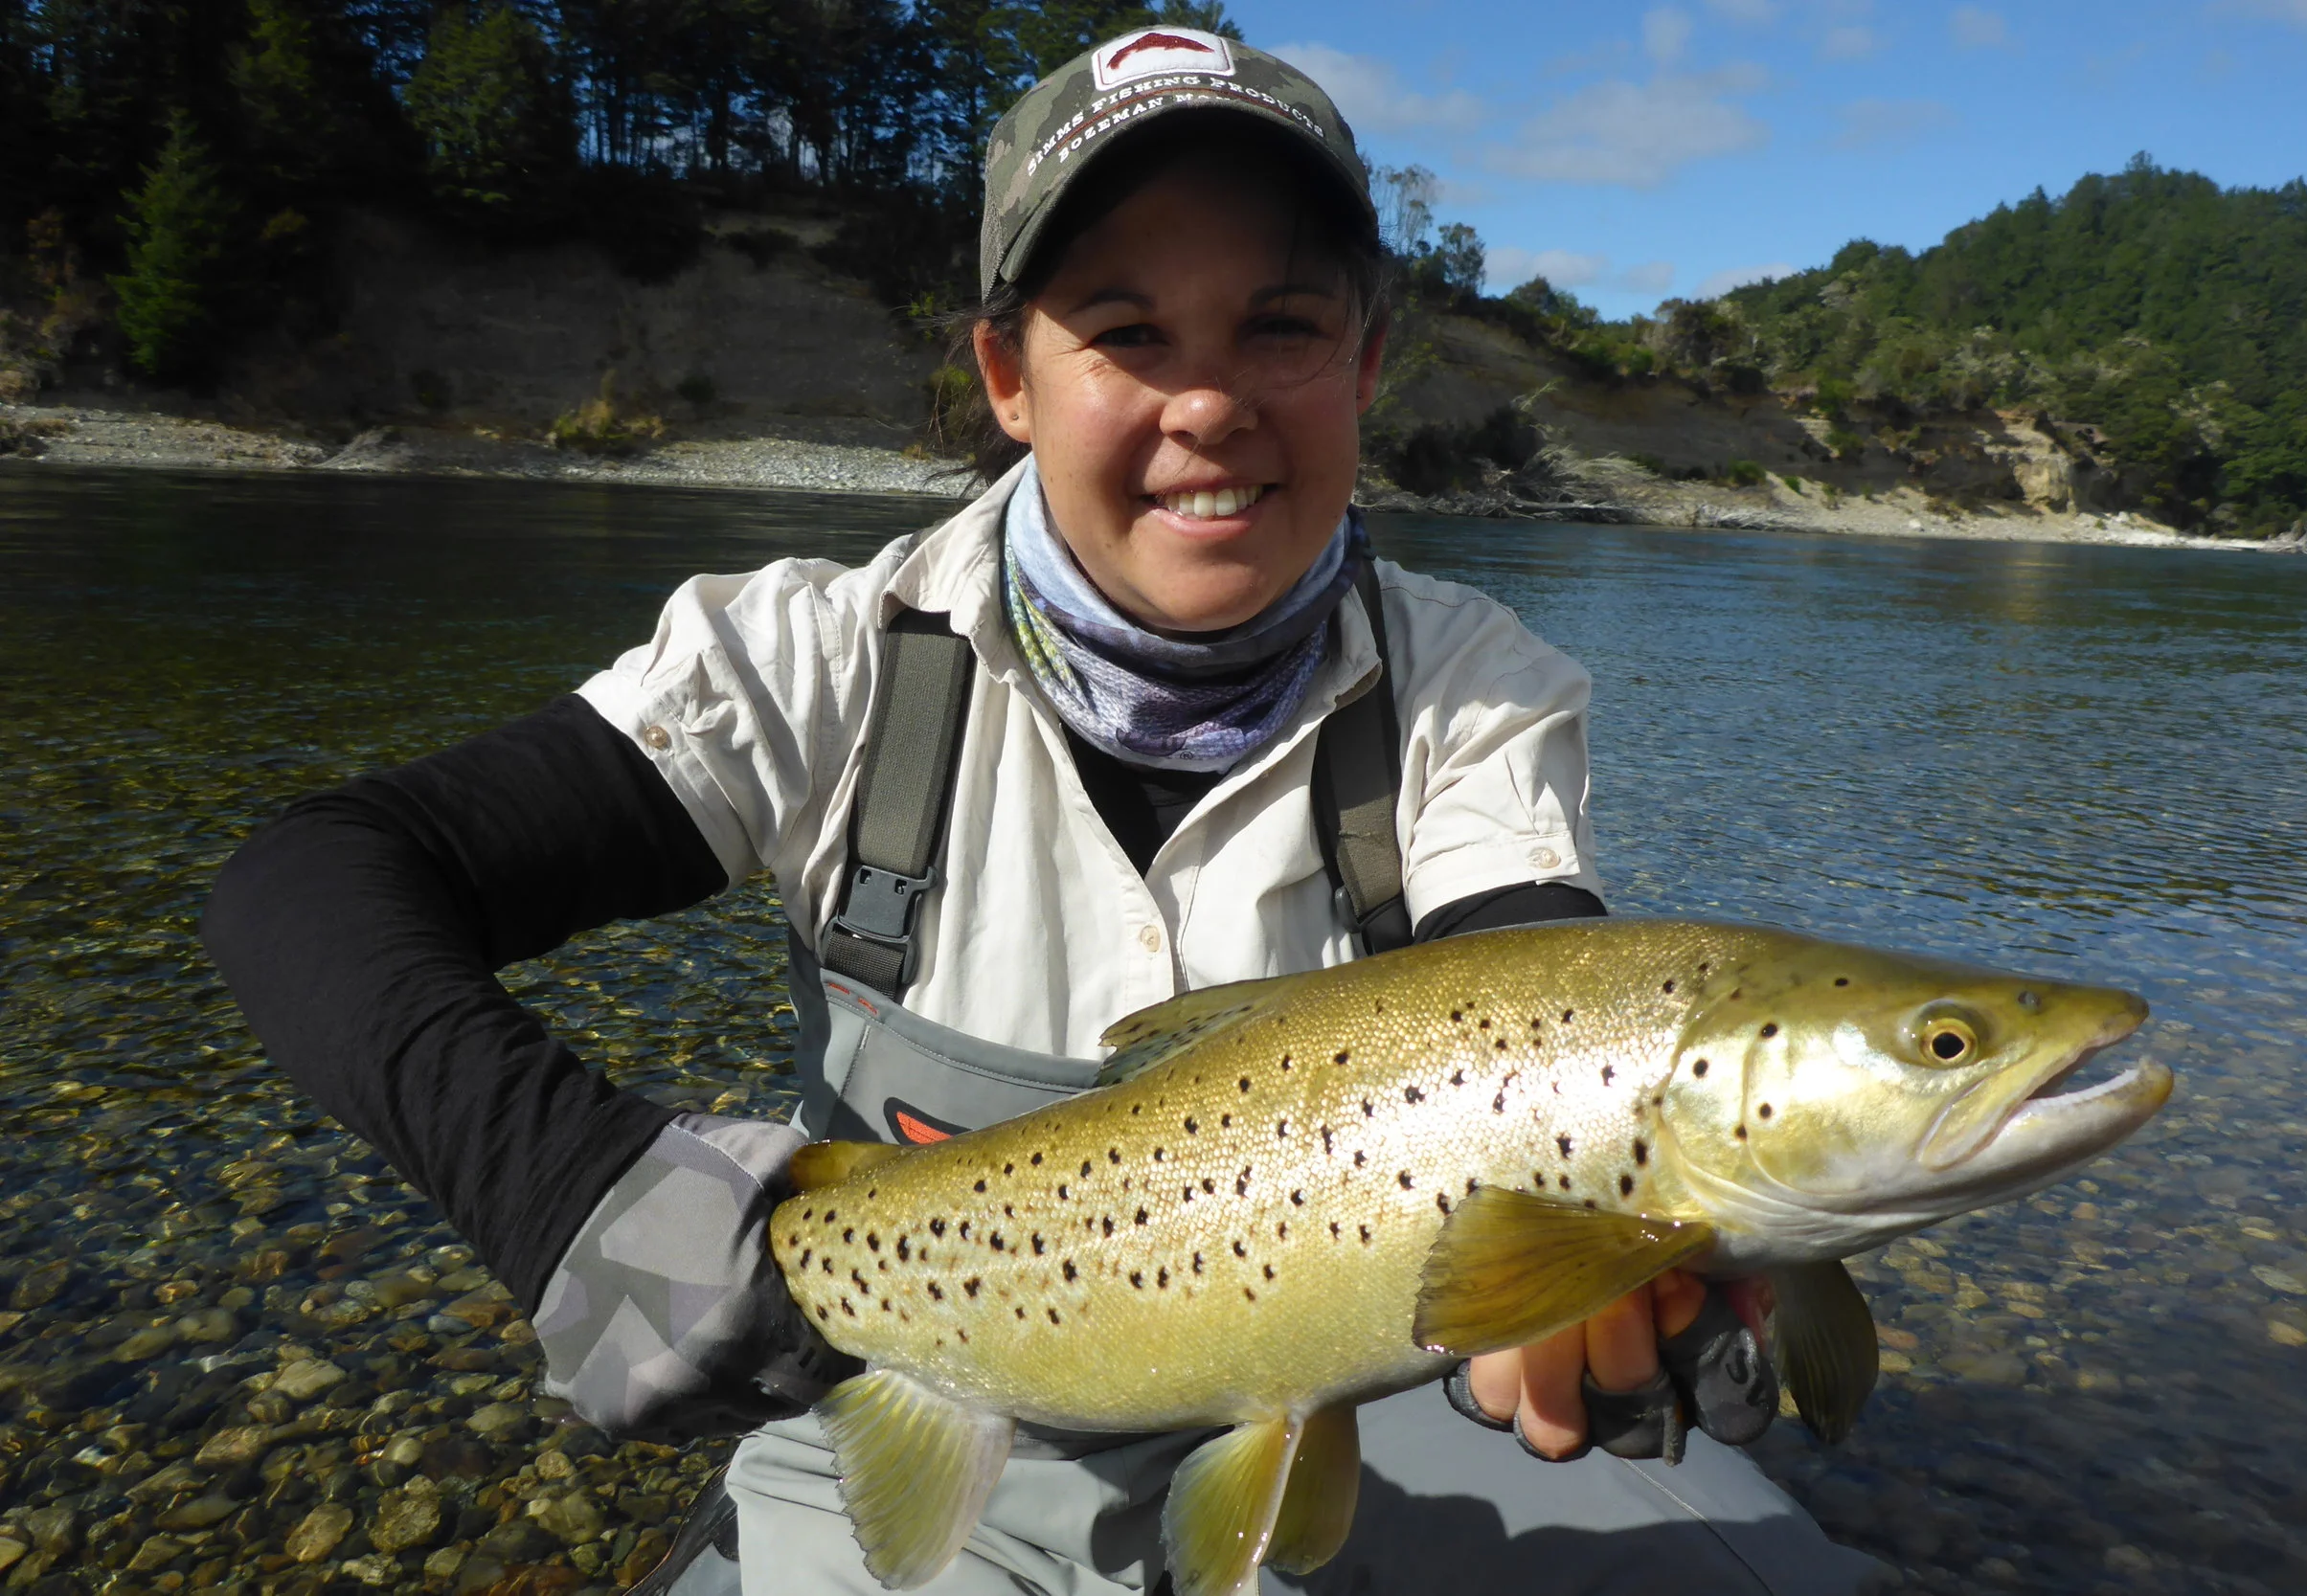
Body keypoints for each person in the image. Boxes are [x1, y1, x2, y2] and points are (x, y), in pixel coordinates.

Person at [205, 28, 1892, 1596]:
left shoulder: (1471, 691)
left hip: (1364, 1401)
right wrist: (569, 1178)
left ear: (1367, 363)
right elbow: (312, 885)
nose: (1210, 402)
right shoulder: (815, 663)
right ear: (1008, 373)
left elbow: (1544, 1006)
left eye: (1282, 326)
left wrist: (1625, 1277)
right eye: (1128, 330)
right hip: (927, 1392)